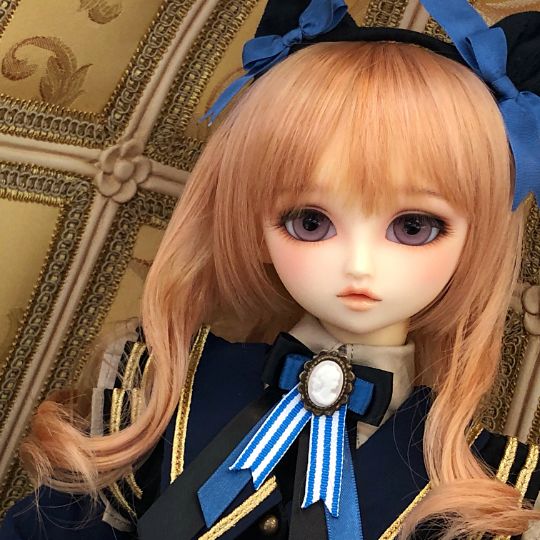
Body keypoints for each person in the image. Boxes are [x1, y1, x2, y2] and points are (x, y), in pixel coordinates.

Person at [1, 0, 540, 538]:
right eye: (310, 222)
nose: (358, 265)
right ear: (255, 223)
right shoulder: (162, 389)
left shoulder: (487, 488)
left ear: (476, 241)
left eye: (414, 227)